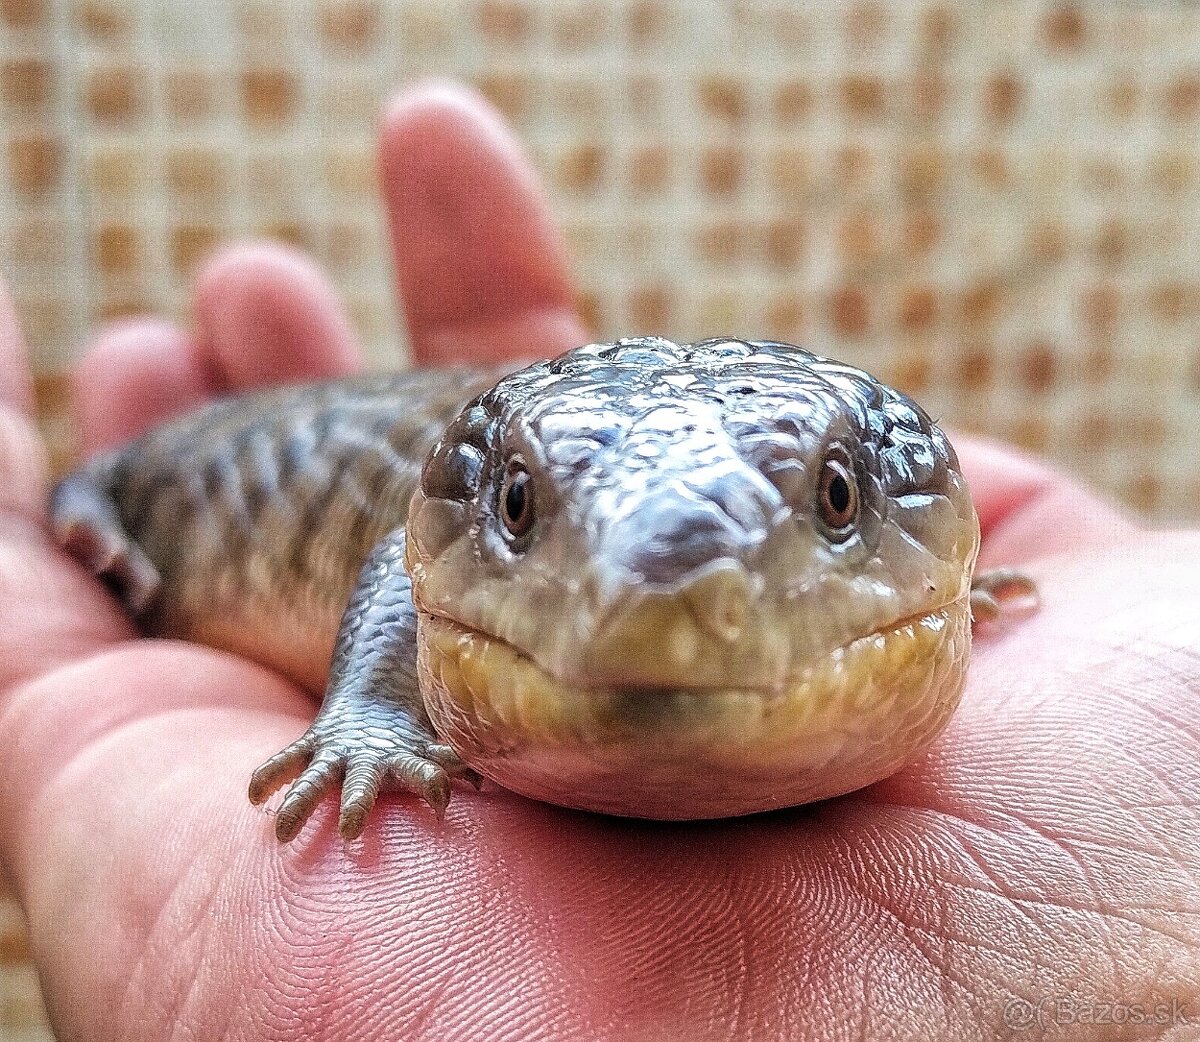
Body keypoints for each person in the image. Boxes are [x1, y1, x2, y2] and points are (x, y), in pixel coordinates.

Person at [0, 81, 1196, 1041]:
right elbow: (399, 568)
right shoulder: (403, 540)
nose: (662, 603)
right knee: (104, 490)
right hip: (185, 476)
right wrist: (367, 713)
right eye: (520, 504)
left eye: (833, 499)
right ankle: (95, 492)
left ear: (939, 537)